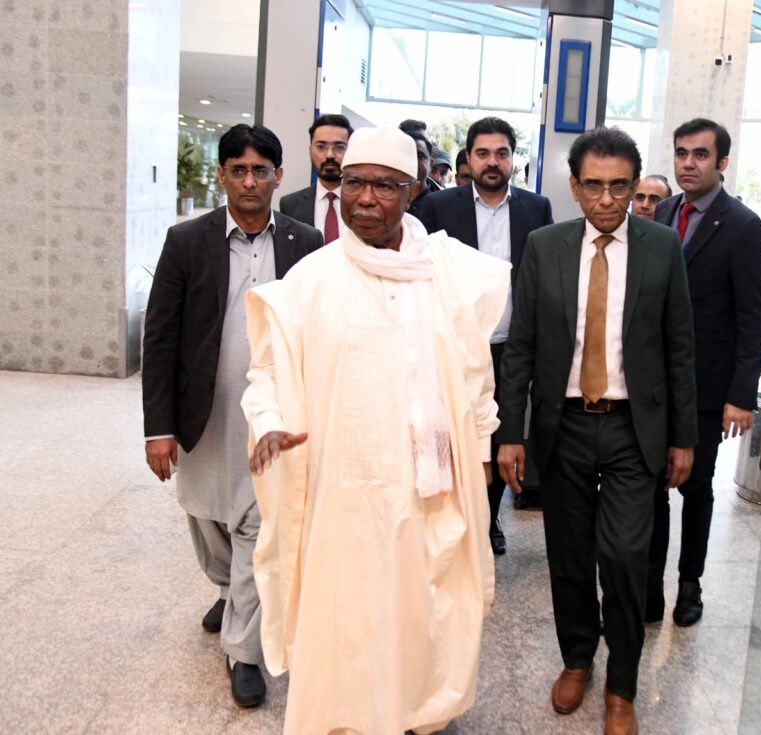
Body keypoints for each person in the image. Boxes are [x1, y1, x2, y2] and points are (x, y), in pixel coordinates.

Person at [241, 126, 510, 735]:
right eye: (354, 181)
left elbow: (476, 382)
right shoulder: (312, 278)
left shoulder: (453, 273)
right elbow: (265, 372)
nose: (364, 197)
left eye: (384, 185)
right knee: (346, 622)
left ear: (413, 190)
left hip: (426, 490)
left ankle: (418, 712)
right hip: (341, 494)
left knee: (422, 614)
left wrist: (482, 450)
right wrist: (270, 420)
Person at [497, 127, 698, 735]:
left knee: (626, 556)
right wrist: (511, 432)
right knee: (569, 555)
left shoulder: (662, 247)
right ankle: (578, 659)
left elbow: (680, 347)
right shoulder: (544, 245)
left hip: (635, 428)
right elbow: (522, 347)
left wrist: (683, 437)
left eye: (619, 186)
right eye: (594, 186)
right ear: (574, 186)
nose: (607, 199)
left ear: (636, 187)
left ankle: (623, 686)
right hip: (565, 427)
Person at [142, 124, 323, 708]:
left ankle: (243, 651)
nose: (250, 181)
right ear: (221, 175)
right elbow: (161, 337)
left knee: (258, 523)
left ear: (279, 176)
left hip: (273, 414)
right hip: (205, 412)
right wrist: (159, 428)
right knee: (207, 517)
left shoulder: (306, 242)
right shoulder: (186, 241)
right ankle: (229, 587)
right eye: (238, 170)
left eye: (261, 170)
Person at [649, 118, 761, 627]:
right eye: (681, 154)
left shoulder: (742, 225)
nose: (688, 164)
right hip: (654, 383)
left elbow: (753, 319)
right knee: (651, 486)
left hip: (705, 386)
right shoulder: (662, 212)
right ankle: (648, 587)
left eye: (700, 155)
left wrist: (741, 395)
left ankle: (689, 584)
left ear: (722, 162)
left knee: (695, 487)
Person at [420, 116, 554, 555]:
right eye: (483, 153)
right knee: (453, 436)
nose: (492, 162)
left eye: (501, 153)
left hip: (511, 348)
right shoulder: (439, 208)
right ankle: (451, 521)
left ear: (513, 158)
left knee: (501, 438)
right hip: (454, 349)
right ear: (469, 158)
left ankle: (489, 518)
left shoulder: (537, 209)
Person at [279, 114, 353, 242]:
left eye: (340, 147)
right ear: (310, 150)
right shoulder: (290, 204)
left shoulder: (364, 202)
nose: (330, 155)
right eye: (321, 147)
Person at [404, 130, 434, 221]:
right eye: (407, 155)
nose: (413, 161)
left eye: (420, 156)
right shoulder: (385, 198)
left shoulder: (441, 204)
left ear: (431, 164)